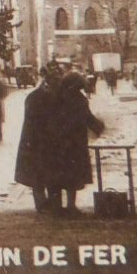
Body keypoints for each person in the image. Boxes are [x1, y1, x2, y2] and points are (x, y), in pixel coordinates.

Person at [43, 70, 107, 214]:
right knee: (72, 176)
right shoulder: (79, 100)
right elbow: (87, 118)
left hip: (54, 143)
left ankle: (56, 206)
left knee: (56, 175)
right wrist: (99, 127)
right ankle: (71, 206)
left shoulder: (54, 97)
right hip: (74, 144)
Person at [14, 64, 60, 211]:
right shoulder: (41, 97)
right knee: (43, 172)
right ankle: (45, 203)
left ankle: (49, 203)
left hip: (43, 140)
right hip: (41, 140)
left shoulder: (35, 96)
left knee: (47, 172)